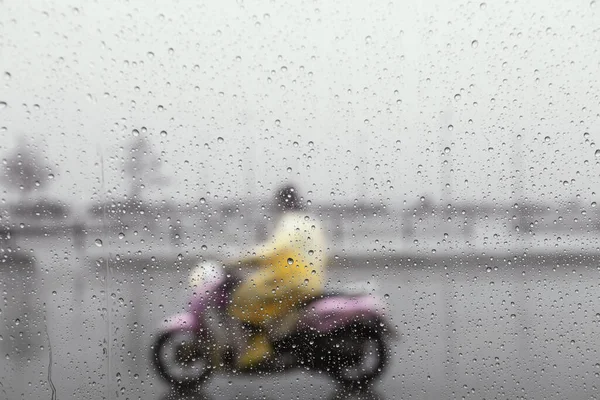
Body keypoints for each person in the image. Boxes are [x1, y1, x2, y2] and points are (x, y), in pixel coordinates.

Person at [226, 184, 328, 368]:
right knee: (257, 293)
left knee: (242, 298)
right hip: (308, 279)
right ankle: (270, 341)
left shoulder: (291, 222)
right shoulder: (307, 220)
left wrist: (239, 259)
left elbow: (275, 249)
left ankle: (258, 350)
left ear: (282, 202)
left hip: (296, 279)